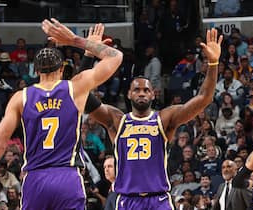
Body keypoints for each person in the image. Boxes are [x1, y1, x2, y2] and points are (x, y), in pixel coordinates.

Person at [0, 19, 123, 210]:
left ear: (37, 70)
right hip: (67, 178)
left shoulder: (20, 98)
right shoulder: (76, 88)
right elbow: (115, 57)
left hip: (35, 178)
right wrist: (76, 41)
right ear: (61, 69)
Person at [84, 28, 222, 209]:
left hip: (158, 200)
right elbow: (82, 94)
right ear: (129, 94)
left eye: (146, 90)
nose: (142, 93)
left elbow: (204, 98)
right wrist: (87, 53)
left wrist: (213, 63)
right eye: (137, 90)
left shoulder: (165, 119)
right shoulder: (116, 120)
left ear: (153, 95)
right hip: (127, 200)